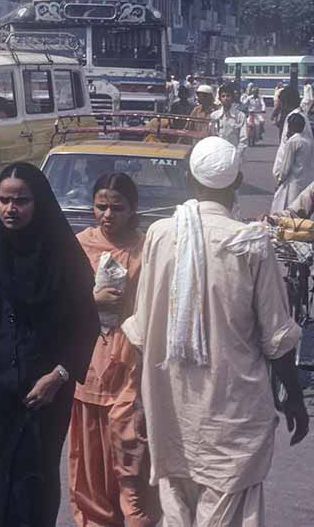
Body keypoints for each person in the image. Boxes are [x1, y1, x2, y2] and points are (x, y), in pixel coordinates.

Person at [122, 136, 308, 526]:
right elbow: (277, 338)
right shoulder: (251, 242)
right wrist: (293, 398)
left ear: (189, 181)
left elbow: (140, 332)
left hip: (170, 410)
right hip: (232, 416)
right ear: (238, 182)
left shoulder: (159, 235)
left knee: (175, 509)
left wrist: (139, 401)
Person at [0, 162, 100, 527]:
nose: (11, 209)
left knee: (33, 480)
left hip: (44, 392)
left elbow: (85, 324)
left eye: (21, 200)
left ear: (38, 202)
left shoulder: (63, 257)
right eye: (4, 200)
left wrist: (57, 375)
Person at [68, 173, 161, 527]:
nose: (107, 215)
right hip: (88, 362)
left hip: (132, 363)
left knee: (131, 455)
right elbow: (58, 301)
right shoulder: (79, 245)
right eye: (101, 207)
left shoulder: (147, 248)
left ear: (133, 209)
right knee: (89, 459)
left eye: (116, 208)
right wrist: (90, 301)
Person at [271, 112, 314, 214]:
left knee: (285, 209)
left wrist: (279, 180)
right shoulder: (308, 141)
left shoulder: (293, 141)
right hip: (304, 181)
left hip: (292, 182)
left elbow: (286, 166)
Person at [209, 83, 248, 155]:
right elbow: (211, 136)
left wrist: (237, 154)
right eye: (223, 96)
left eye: (228, 96)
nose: (225, 98)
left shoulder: (240, 116)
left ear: (232, 98)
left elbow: (243, 138)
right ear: (219, 99)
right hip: (217, 153)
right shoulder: (214, 116)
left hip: (233, 154)